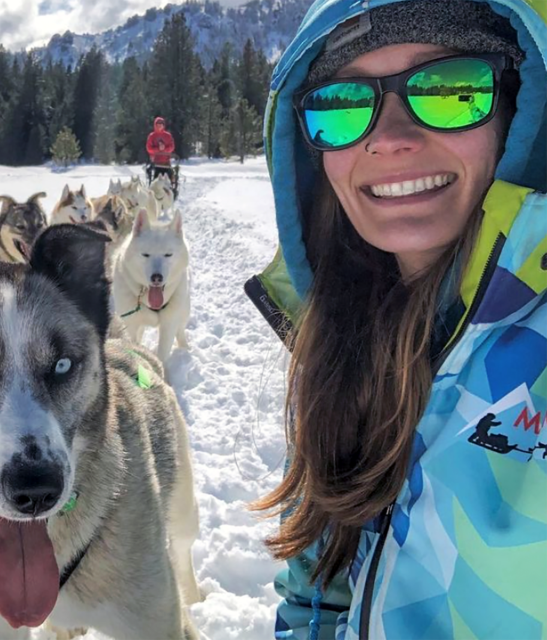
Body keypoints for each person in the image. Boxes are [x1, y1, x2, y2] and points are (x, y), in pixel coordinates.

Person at [245, 0, 547, 638]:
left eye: (450, 89)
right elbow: (314, 599)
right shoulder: (340, 350)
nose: (389, 139)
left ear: (518, 115)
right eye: (341, 105)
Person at [146, 116, 176, 183]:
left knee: (170, 177)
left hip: (166, 162)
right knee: (154, 178)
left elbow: (172, 147)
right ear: (155, 125)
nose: (159, 126)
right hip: (155, 162)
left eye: (161, 125)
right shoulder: (151, 136)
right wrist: (158, 149)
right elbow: (149, 148)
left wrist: (164, 149)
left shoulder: (168, 135)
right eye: (158, 125)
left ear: (163, 125)